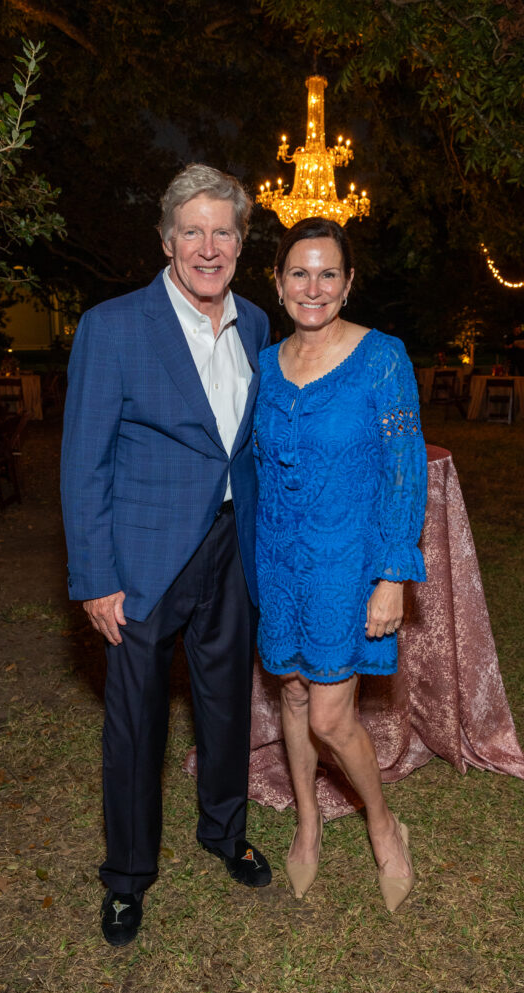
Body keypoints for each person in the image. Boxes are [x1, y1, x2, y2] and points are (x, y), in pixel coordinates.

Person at [61, 164, 272, 947]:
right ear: (166, 240)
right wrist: (95, 578)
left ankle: (224, 832)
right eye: (193, 230)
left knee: (225, 706)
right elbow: (82, 461)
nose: (207, 246)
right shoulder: (111, 327)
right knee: (136, 724)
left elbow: (244, 450)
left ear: (241, 245)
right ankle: (126, 877)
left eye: (223, 231)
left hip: (228, 549)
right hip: (142, 558)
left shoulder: (254, 324)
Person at [253, 218, 427, 911]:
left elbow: (403, 472)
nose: (313, 287)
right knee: (291, 694)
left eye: (328, 273)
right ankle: (306, 826)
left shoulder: (382, 357)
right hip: (276, 560)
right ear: (276, 283)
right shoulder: (263, 365)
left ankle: (383, 827)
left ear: (349, 283)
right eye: (299, 272)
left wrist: (391, 576)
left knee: (330, 717)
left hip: (346, 564)